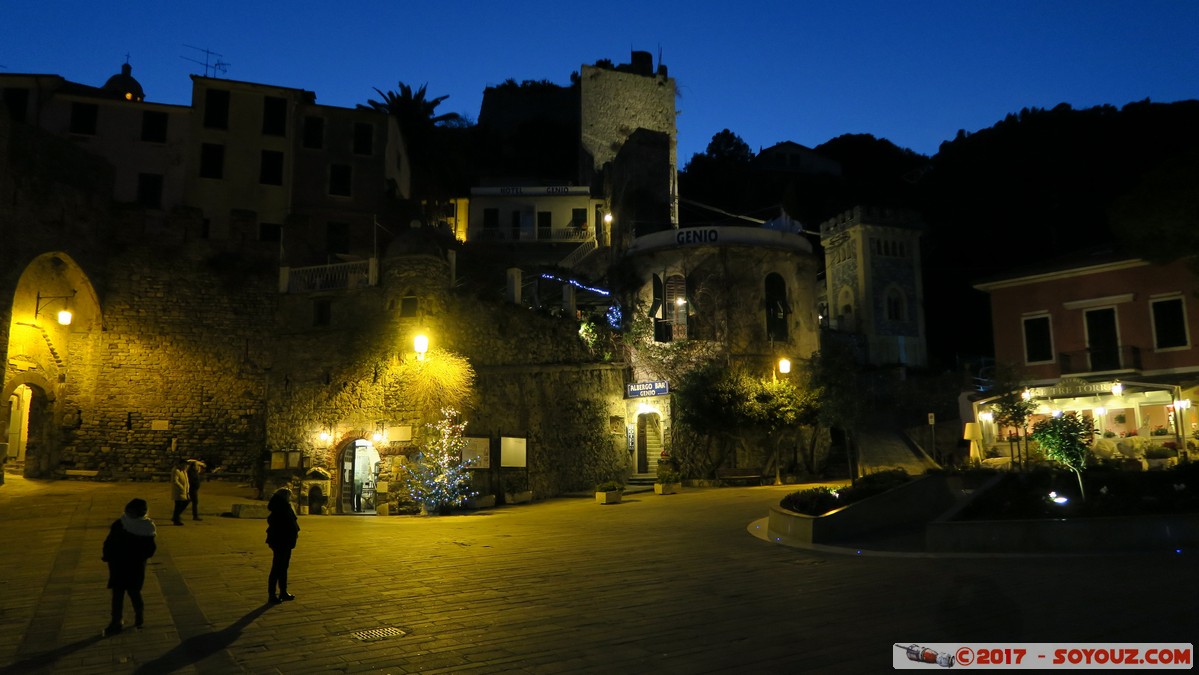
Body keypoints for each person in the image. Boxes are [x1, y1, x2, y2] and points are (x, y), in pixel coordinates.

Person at [102, 498, 157, 636]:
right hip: (132, 566)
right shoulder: (146, 527)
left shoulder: (121, 523)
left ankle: (123, 619)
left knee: (125, 593)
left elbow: (109, 543)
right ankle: (125, 619)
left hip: (122, 565)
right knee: (128, 593)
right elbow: (150, 550)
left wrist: (108, 556)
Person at [265, 487, 300, 603]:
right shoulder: (280, 508)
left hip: (286, 541)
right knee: (277, 568)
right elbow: (284, 524)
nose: (290, 498)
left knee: (283, 567)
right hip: (281, 541)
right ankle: (272, 594)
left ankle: (283, 591)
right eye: (289, 496)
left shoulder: (285, 506)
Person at [170, 459, 190, 526]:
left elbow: (186, 481)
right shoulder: (176, 471)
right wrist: (181, 488)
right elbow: (175, 481)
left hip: (184, 491)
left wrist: (187, 490)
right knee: (178, 505)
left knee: (184, 503)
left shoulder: (184, 471)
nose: (186, 467)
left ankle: (176, 517)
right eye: (185, 465)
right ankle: (176, 519)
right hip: (178, 492)